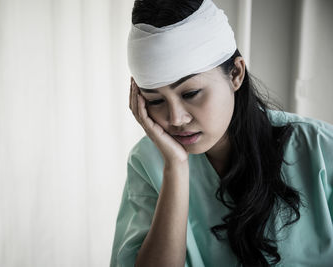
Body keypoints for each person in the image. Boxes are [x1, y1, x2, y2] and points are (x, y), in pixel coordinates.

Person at [110, 0, 333, 266]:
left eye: (190, 93)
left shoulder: (320, 149)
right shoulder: (148, 162)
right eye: (155, 101)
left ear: (236, 74)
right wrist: (176, 168)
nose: (176, 119)